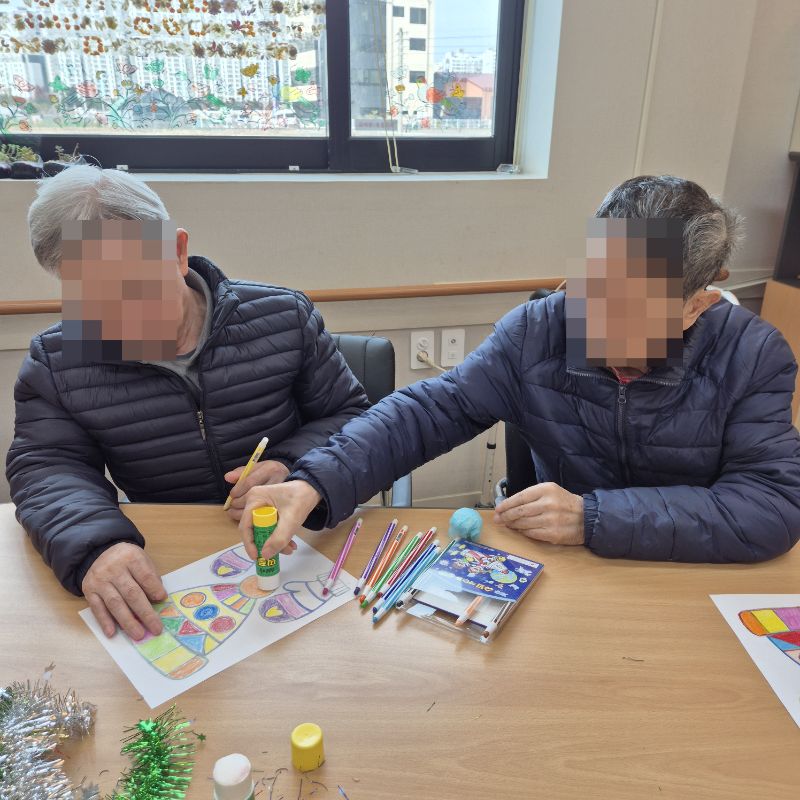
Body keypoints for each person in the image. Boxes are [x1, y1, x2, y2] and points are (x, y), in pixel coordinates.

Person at [233, 175, 800, 565]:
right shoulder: (537, 329)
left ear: (697, 305)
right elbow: (430, 411)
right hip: (562, 572)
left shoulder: (753, 355)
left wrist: (594, 518)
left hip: (686, 574)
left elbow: (772, 505)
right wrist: (314, 482)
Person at [6, 165, 370, 640]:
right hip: (171, 558)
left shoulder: (284, 317)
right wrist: (96, 545)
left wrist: (292, 465)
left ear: (177, 252)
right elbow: (46, 466)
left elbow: (351, 416)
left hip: (300, 540)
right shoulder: (57, 360)